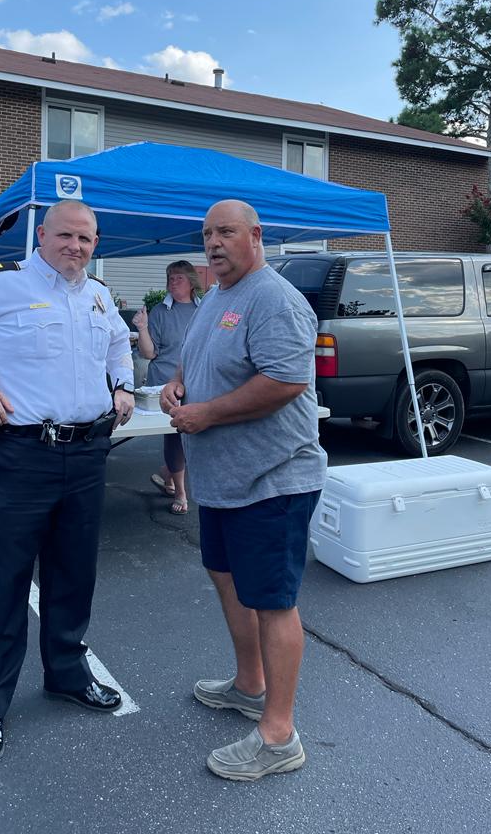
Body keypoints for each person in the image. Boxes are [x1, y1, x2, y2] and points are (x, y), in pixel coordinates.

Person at [0, 200, 135, 764]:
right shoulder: (0, 284)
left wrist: (124, 385)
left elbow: (117, 341)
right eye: (65, 236)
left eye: (86, 239)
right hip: (22, 457)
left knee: (74, 576)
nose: (76, 247)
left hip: (87, 454)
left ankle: (66, 674)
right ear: (42, 235)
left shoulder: (98, 293)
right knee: (6, 583)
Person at [159, 199, 326, 782]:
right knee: (229, 582)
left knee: (273, 601)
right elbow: (194, 360)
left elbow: (285, 380)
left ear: (255, 236)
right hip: (226, 482)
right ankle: (250, 686)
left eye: (225, 232)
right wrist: (177, 388)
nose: (213, 243)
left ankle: (279, 737)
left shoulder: (275, 298)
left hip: (273, 479)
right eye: (206, 234)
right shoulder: (217, 297)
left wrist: (206, 414)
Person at [133, 260, 203, 514]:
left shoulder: (204, 309)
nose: (173, 282)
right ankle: (181, 493)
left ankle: (168, 473)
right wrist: (142, 328)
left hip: (195, 382)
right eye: (170, 278)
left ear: (192, 281)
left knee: (193, 436)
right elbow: (149, 353)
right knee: (176, 436)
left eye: (178, 278)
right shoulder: (161, 312)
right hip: (163, 384)